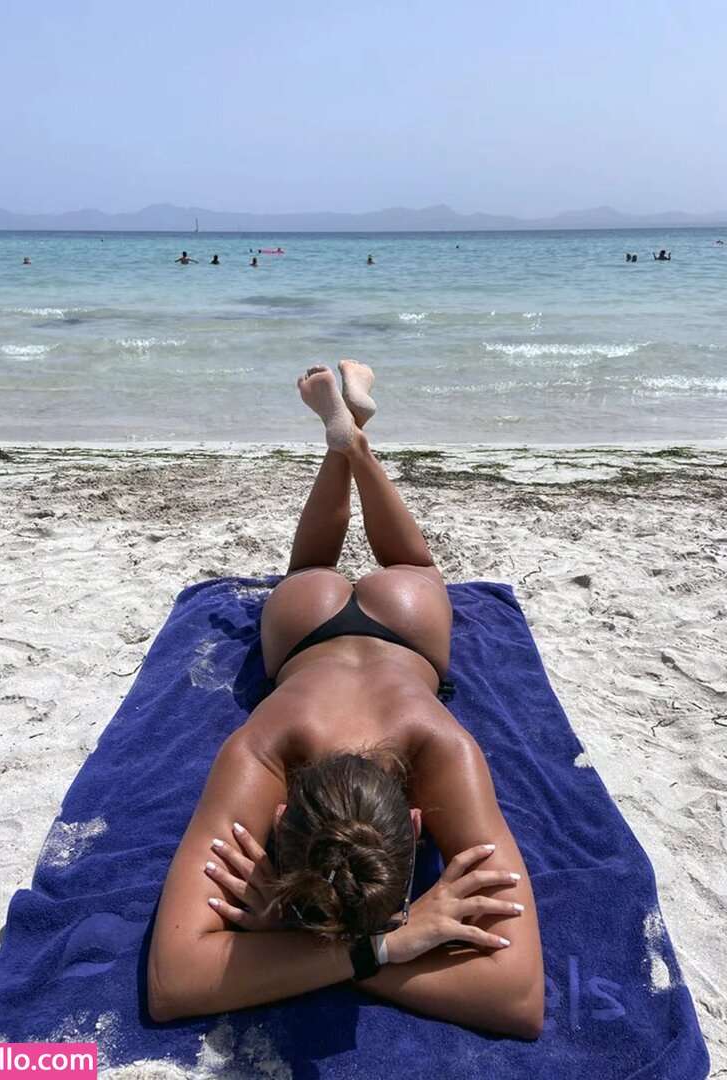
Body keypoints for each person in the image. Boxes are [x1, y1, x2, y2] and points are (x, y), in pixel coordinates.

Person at [148, 362, 544, 1036]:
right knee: (328, 572)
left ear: (416, 823)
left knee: (375, 569)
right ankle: (348, 441)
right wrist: (385, 946)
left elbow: (179, 981)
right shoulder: (268, 753)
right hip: (309, 631)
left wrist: (322, 945)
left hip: (404, 636)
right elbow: (515, 998)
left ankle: (351, 441)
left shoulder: (439, 754)